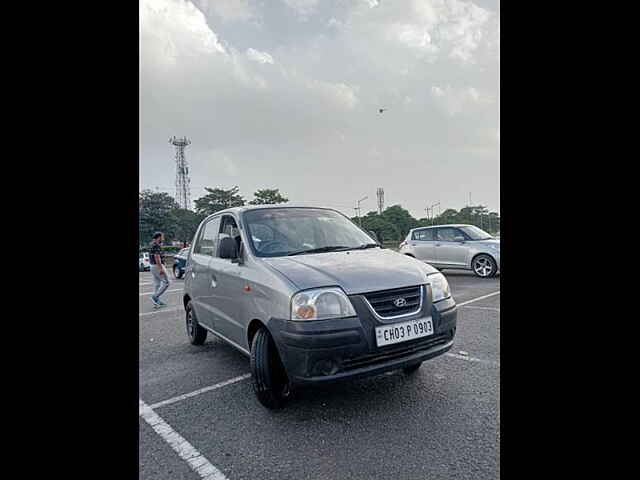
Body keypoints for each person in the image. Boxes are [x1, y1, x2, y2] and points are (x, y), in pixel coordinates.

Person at [149, 232, 170, 308]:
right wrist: (161, 268)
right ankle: (155, 296)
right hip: (157, 266)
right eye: (162, 237)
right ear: (159, 237)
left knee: (157, 284)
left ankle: (156, 302)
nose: (163, 238)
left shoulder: (152, 244)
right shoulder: (156, 245)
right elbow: (157, 258)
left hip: (152, 266)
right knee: (167, 282)